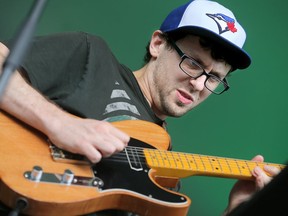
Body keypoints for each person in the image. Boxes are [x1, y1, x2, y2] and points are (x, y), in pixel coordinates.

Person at [0, 0, 280, 215]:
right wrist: (60, 123)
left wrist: (236, 210)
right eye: (194, 63)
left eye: (214, 77)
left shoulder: (163, 176)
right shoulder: (90, 56)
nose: (198, 84)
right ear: (158, 44)